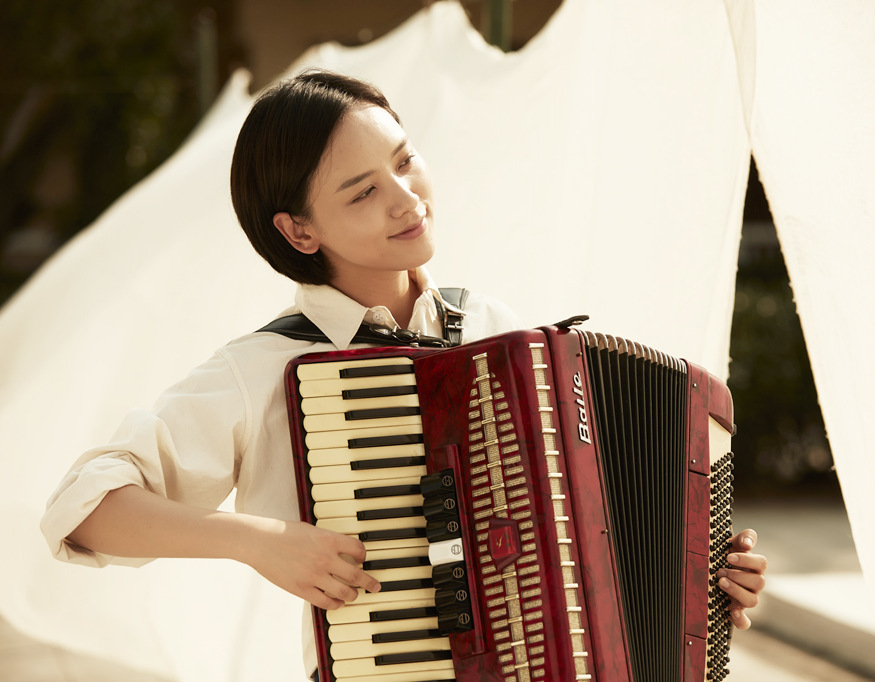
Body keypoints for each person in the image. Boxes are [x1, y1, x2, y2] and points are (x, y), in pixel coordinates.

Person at [40, 70, 766, 678]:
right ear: (299, 231)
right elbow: (85, 507)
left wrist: (700, 579)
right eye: (361, 192)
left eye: (406, 159)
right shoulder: (263, 368)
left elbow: (584, 529)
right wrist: (257, 541)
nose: (406, 196)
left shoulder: (496, 333)